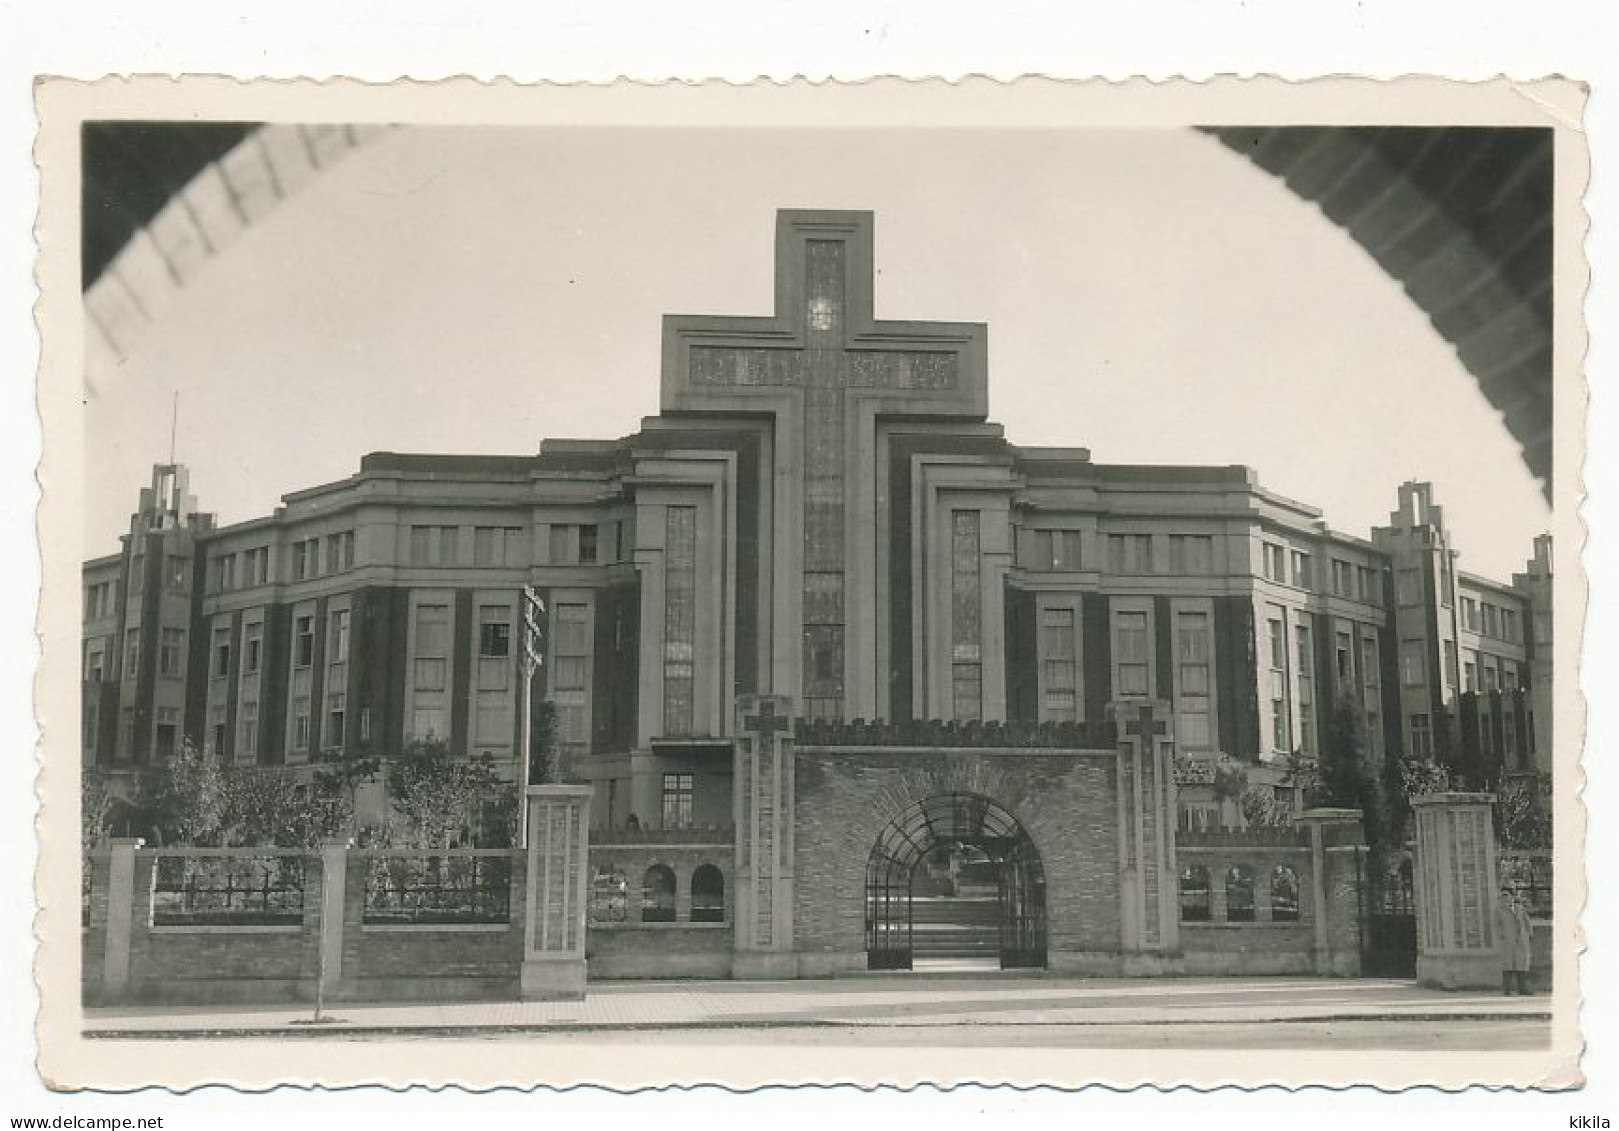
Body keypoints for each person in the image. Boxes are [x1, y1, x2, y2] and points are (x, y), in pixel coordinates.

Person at [1495, 886, 1534, 995]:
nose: (1505, 898)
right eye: (1502, 896)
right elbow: (1496, 925)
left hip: (1521, 940)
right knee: (1508, 965)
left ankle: (1523, 989)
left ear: (1512, 897)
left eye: (1507, 895)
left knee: (1522, 965)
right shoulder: (1499, 910)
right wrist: (1502, 936)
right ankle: (1506, 990)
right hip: (1508, 941)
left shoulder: (1520, 908)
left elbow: (1527, 922)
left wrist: (1529, 934)